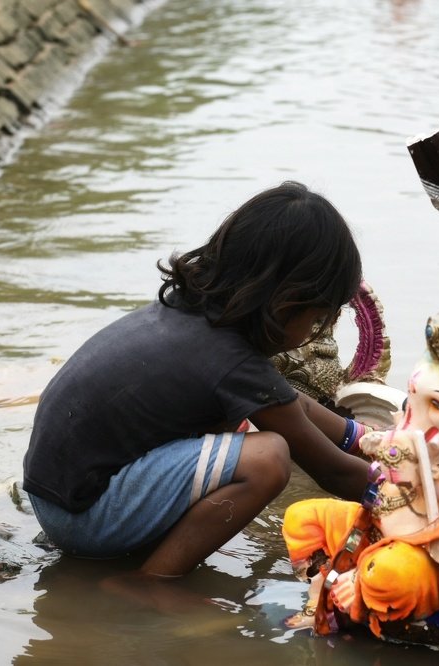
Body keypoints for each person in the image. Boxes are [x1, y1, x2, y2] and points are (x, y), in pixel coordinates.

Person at [23, 181, 373, 577]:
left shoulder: (192, 316)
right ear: (287, 301)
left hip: (57, 499)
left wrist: (364, 439)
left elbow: (286, 403)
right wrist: (418, 494)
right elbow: (334, 472)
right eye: (316, 319)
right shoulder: (229, 360)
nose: (315, 329)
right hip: (86, 518)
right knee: (269, 457)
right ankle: (153, 581)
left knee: (249, 424)